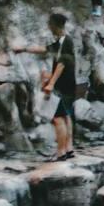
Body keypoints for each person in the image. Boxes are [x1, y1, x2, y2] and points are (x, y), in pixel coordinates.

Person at [40, 13, 78, 160]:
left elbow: (61, 64)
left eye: (50, 24)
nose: (49, 27)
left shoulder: (66, 41)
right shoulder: (62, 42)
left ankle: (61, 152)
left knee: (58, 118)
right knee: (67, 116)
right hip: (69, 84)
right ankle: (69, 148)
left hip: (64, 86)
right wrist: (24, 49)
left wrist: (50, 83)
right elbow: (45, 49)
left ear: (55, 25)